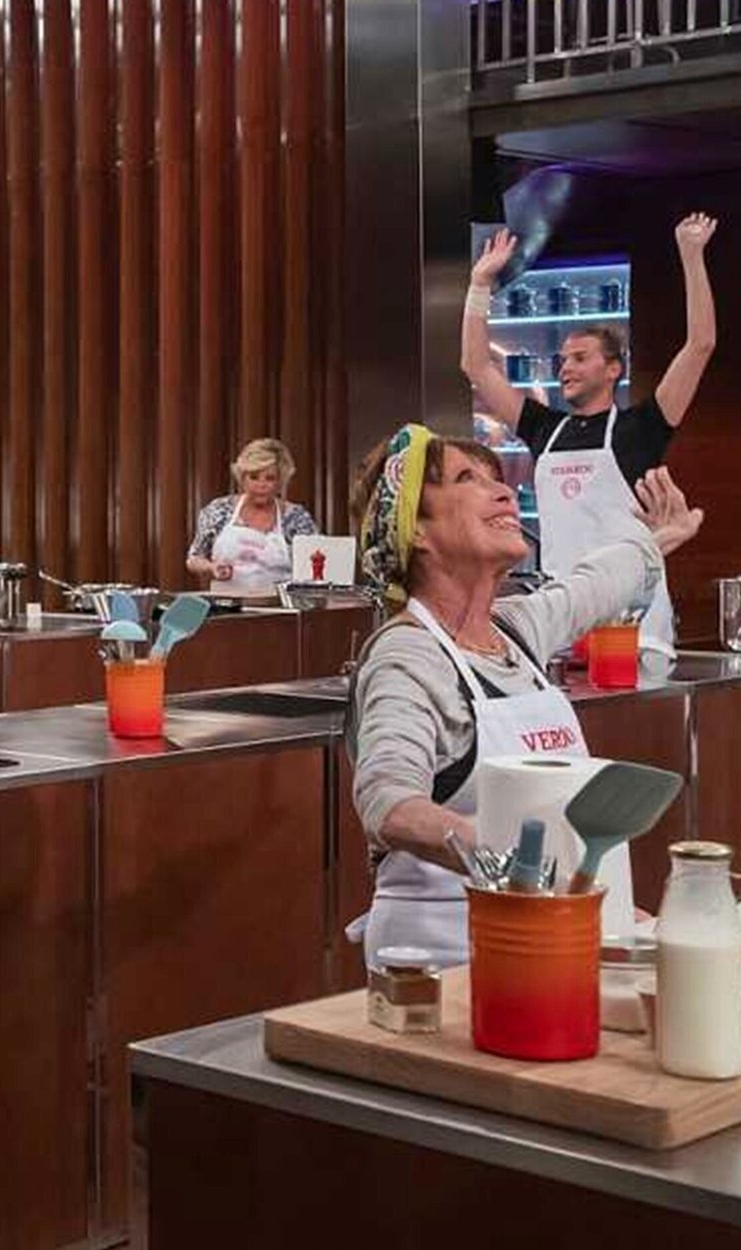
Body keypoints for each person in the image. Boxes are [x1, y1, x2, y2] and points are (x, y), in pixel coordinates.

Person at [346, 424, 703, 968]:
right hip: (447, 959)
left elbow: (592, 585)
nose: (504, 491)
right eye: (467, 479)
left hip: (547, 934)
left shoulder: (513, 631)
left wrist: (657, 539)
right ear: (414, 530)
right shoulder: (409, 656)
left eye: (498, 478)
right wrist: (519, 866)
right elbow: (389, 804)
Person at [461, 216, 717, 666]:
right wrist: (480, 284)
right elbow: (476, 366)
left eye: (580, 358)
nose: (566, 368)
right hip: (564, 625)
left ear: (614, 369)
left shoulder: (642, 428)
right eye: (563, 360)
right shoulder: (544, 427)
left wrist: (691, 255)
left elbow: (700, 344)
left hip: (634, 630)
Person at [184, 437, 319, 595]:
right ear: (242, 478)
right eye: (254, 477)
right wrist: (211, 567)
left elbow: (315, 563)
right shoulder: (219, 510)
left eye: (270, 478)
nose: (261, 485)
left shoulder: (296, 517)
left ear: (281, 482)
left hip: (280, 605)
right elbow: (194, 559)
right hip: (227, 604)